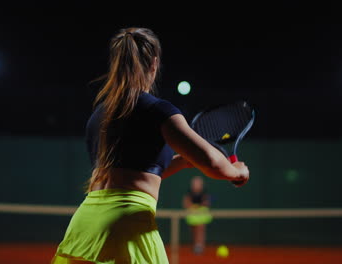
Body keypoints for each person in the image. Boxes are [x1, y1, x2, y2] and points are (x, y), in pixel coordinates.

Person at [51, 27, 249, 264]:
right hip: (126, 227)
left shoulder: (99, 115)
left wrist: (184, 162)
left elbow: (133, 175)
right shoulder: (160, 111)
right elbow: (211, 162)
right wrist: (237, 172)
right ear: (154, 64)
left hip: (84, 227)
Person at [183, 176, 212, 255]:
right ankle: (195, 245)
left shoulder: (204, 193)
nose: (196, 185)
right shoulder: (189, 193)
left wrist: (198, 207)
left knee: (200, 229)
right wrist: (192, 207)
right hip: (192, 214)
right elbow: (186, 203)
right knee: (194, 230)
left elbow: (206, 203)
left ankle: (200, 245)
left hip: (202, 214)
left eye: (198, 183)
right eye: (195, 183)